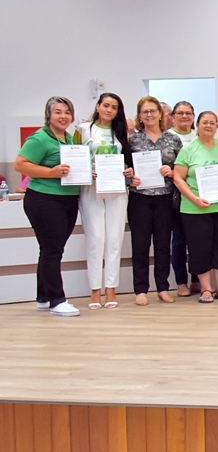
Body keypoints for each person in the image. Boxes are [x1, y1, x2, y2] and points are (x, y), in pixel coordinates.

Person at [15, 96, 82, 316]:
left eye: (67, 112)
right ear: (49, 115)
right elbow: (20, 164)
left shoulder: (70, 139)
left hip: (68, 199)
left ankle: (43, 297)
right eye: (58, 112)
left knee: (51, 249)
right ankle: (57, 300)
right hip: (44, 199)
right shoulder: (40, 138)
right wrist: (51, 173)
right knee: (52, 250)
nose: (63, 116)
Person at [172, 111, 218, 304]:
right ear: (198, 125)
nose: (208, 126)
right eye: (204, 122)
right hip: (196, 208)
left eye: (212, 123)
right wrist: (194, 198)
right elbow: (178, 177)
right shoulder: (189, 149)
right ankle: (206, 289)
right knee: (199, 248)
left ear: (217, 127)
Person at [74, 93, 133, 309]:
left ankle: (111, 290)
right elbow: (74, 158)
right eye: (106, 105)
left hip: (117, 190)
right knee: (96, 239)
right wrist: (88, 172)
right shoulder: (84, 130)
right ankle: (94, 291)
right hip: (91, 189)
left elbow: (128, 160)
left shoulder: (121, 132)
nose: (109, 110)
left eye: (114, 107)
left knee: (115, 239)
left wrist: (128, 171)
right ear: (98, 106)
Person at [127, 96, 182, 306]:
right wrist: (130, 175)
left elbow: (182, 168)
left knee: (162, 244)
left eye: (153, 111)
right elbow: (124, 168)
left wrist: (172, 170)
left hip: (165, 198)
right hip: (139, 197)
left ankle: (162, 287)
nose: (149, 115)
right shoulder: (133, 140)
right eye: (145, 112)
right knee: (140, 244)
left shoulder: (173, 139)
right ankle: (140, 290)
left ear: (160, 114)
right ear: (140, 116)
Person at [168, 101, 198, 297]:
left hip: (199, 196)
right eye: (180, 113)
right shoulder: (167, 138)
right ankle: (181, 282)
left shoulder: (200, 137)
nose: (184, 116)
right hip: (175, 197)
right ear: (173, 116)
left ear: (194, 116)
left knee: (197, 240)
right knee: (179, 241)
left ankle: (196, 279)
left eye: (188, 113)